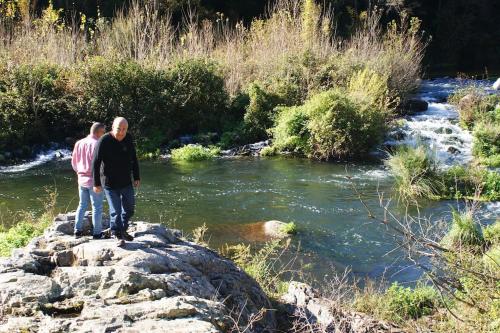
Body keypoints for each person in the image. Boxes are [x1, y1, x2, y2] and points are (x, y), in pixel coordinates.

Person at [92, 117, 140, 245]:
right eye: (119, 128)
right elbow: (96, 162)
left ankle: (122, 229)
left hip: (125, 181)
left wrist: (136, 177)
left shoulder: (128, 138)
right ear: (113, 127)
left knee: (129, 208)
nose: (121, 132)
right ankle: (117, 234)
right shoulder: (104, 140)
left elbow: (133, 158)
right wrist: (96, 183)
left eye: (124, 129)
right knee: (116, 211)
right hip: (109, 182)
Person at [71, 122, 108, 239]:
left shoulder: (79, 143)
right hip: (95, 180)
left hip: (81, 179)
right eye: (103, 132)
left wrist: (80, 173)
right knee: (97, 207)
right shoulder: (99, 144)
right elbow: (103, 165)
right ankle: (97, 233)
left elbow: (74, 163)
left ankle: (77, 231)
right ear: (99, 132)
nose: (104, 134)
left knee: (82, 205)